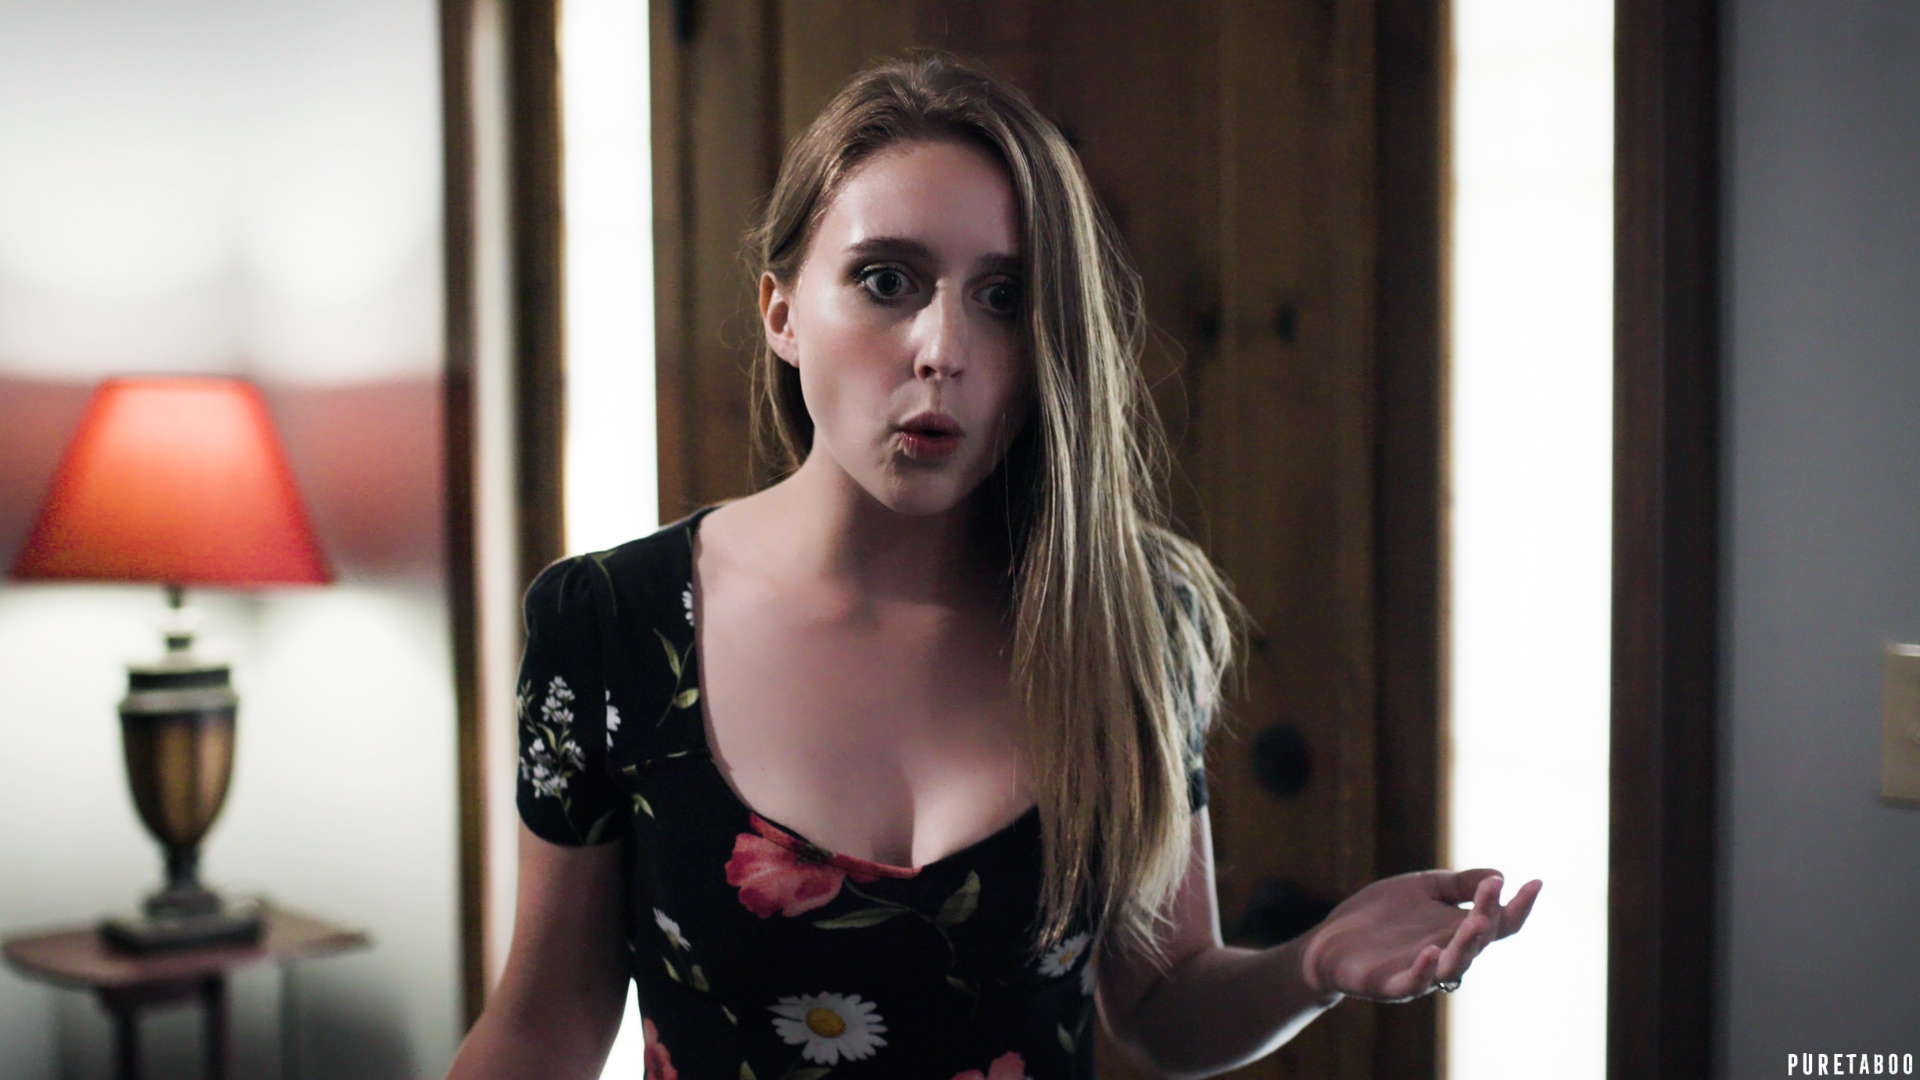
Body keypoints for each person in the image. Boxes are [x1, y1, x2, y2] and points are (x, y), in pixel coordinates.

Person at [446, 54, 1540, 1080]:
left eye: (1004, 297)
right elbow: (545, 1022)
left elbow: (1162, 1001)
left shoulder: (1128, 616)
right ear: (781, 312)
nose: (944, 350)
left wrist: (1312, 966)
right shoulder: (611, 625)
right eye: (886, 280)